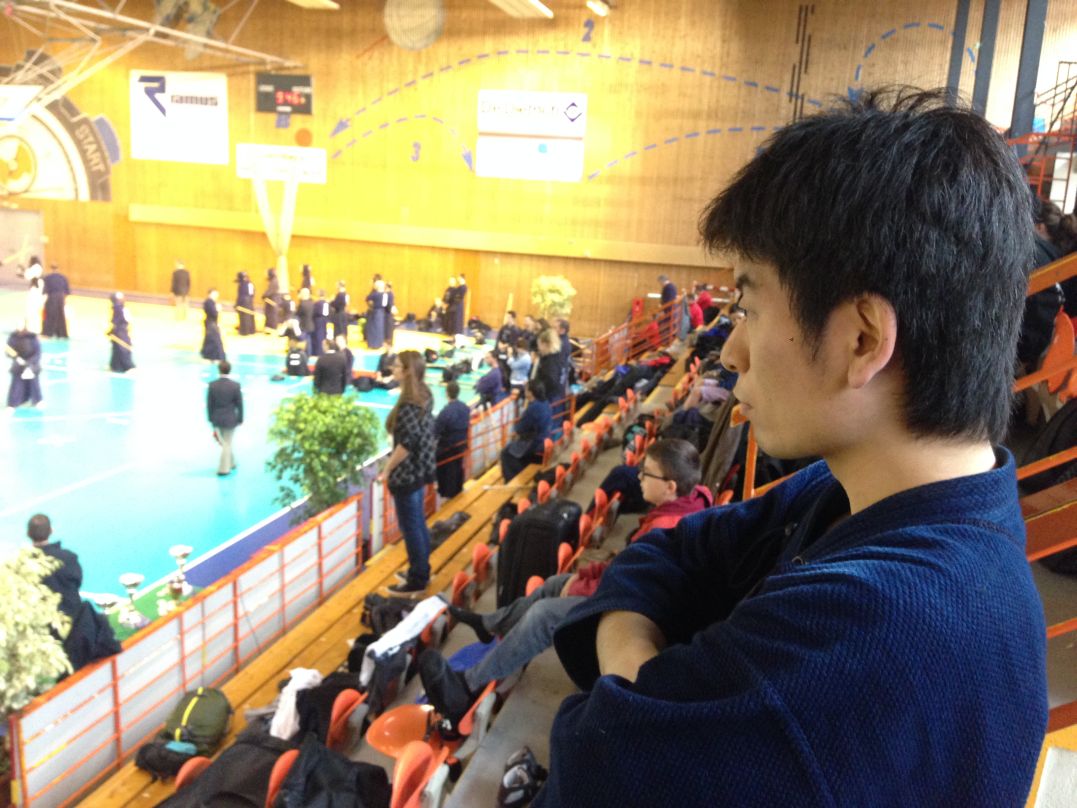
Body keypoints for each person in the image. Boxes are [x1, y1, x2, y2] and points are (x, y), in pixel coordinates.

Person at [535, 89, 1048, 808]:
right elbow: (666, 554)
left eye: (748, 306)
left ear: (862, 339)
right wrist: (643, 683)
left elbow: (595, 762)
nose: (731, 352)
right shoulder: (860, 491)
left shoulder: (877, 630)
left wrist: (628, 688)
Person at [419, 440, 712, 723]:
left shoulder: (664, 528)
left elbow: (628, 590)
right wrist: (584, 576)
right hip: (628, 594)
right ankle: (492, 624)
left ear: (670, 486)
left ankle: (466, 687)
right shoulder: (689, 502)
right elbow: (627, 566)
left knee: (543, 614)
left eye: (646, 473)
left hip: (630, 617)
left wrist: (583, 586)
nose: (639, 478)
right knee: (555, 582)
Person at [378, 350, 437, 594]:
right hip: (420, 470)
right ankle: (421, 569)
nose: (392, 368)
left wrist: (387, 469)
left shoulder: (408, 406)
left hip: (407, 474)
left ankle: (418, 578)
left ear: (407, 371)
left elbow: (406, 444)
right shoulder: (425, 395)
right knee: (418, 523)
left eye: (397, 365)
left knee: (411, 527)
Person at [26, 514, 82, 621]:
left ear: (28, 533)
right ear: (51, 530)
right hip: (73, 618)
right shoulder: (69, 557)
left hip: (41, 621)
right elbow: (77, 582)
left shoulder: (23, 564)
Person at [500, 378, 552, 482]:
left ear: (531, 392)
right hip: (545, 437)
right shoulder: (545, 403)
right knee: (515, 449)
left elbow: (520, 428)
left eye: (526, 389)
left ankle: (513, 480)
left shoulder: (533, 408)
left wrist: (516, 432)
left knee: (506, 453)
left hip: (535, 441)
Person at [434, 380, 470, 498]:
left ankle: (444, 490)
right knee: (458, 466)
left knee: (439, 462)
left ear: (447, 393)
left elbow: (435, 431)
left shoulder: (445, 412)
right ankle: (458, 489)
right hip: (462, 444)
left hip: (448, 448)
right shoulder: (465, 408)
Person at [207, 360, 242, 476]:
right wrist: (240, 418)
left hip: (217, 418)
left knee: (225, 443)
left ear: (219, 370)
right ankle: (224, 469)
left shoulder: (212, 385)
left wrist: (210, 418)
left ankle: (231, 463)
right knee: (227, 443)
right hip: (231, 419)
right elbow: (239, 404)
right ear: (229, 370)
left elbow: (210, 404)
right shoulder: (235, 386)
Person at [6, 325, 42, 410]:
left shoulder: (32, 337)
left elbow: (37, 353)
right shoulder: (13, 337)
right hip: (18, 365)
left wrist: (29, 364)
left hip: (32, 364)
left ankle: (37, 400)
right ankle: (12, 403)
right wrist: (17, 360)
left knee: (34, 382)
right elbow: (8, 351)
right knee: (16, 383)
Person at [107, 292, 135, 373]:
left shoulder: (119, 308)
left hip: (121, 332)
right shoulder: (118, 308)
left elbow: (119, 321)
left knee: (122, 349)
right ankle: (117, 366)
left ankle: (126, 366)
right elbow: (117, 322)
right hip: (119, 332)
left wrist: (112, 331)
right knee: (118, 349)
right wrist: (112, 331)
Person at [41, 265, 69, 338]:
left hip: (52, 297)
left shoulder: (47, 277)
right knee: (60, 316)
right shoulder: (63, 277)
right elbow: (66, 291)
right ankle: (61, 334)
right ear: (58, 269)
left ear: (51, 269)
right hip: (61, 298)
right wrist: (64, 300)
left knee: (50, 315)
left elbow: (45, 291)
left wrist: (44, 302)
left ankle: (48, 333)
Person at [200, 289, 226, 362]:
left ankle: (211, 356)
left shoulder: (212, 302)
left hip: (212, 323)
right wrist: (217, 309)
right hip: (211, 323)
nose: (216, 296)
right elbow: (213, 313)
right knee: (214, 340)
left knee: (212, 340)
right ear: (210, 294)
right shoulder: (209, 302)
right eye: (215, 294)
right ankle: (212, 356)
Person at [365, 278, 390, 349]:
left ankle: (373, 344)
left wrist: (371, 304)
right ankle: (379, 344)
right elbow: (385, 304)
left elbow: (367, 298)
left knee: (373, 328)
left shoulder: (375, 294)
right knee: (380, 328)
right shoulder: (385, 294)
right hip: (382, 312)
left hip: (375, 312)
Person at [235, 271, 256, 336]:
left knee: (244, 317)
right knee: (248, 317)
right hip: (249, 302)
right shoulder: (250, 284)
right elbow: (252, 294)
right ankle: (250, 330)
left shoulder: (243, 285)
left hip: (244, 302)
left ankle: (245, 331)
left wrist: (237, 303)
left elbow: (241, 295)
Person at [296, 287, 315, 356]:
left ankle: (303, 355)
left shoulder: (302, 304)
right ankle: (308, 354)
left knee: (303, 341)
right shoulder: (312, 303)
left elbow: (297, 314)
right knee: (309, 341)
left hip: (304, 325)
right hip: (311, 324)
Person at [312, 289, 330, 358]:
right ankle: (323, 351)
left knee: (318, 337)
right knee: (323, 336)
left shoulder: (317, 303)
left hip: (318, 321)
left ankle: (318, 352)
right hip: (324, 321)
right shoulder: (326, 303)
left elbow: (314, 313)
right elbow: (327, 313)